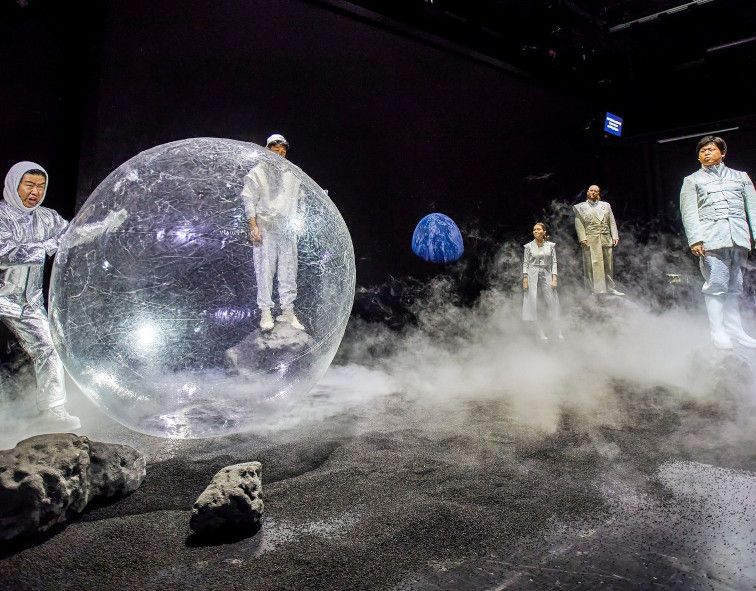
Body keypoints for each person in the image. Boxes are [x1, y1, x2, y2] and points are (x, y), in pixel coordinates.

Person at [0, 161, 80, 429]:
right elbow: (5, 253)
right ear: (14, 185)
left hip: (28, 304)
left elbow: (73, 233)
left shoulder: (47, 218)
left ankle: (53, 409)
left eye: (41, 186)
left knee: (48, 347)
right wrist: (45, 247)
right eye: (29, 185)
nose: (35, 191)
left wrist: (107, 223)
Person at [680, 135, 756, 350]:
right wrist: (695, 239)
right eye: (702, 150)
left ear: (722, 153)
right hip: (711, 239)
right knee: (717, 284)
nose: (705, 153)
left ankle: (736, 330)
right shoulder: (692, 180)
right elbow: (689, 213)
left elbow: (753, 208)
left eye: (711, 149)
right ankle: (718, 331)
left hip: (738, 237)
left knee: (735, 286)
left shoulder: (741, 177)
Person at [241, 134, 304, 331]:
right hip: (265, 228)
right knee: (264, 270)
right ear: (267, 150)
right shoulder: (257, 172)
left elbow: (301, 199)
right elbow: (249, 199)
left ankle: (288, 312)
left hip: (286, 229)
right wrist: (253, 226)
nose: (280, 154)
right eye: (276, 150)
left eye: (283, 151)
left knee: (288, 270)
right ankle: (266, 312)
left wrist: (298, 221)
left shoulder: (294, 174)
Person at [573, 185, 623, 296]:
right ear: (587, 192)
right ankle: (591, 290)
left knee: (608, 264)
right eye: (591, 190)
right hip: (590, 239)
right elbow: (579, 223)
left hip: (605, 237)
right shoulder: (580, 207)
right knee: (590, 266)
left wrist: (615, 236)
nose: (593, 192)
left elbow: (612, 221)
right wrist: (582, 238)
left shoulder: (606, 206)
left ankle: (610, 288)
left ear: (598, 193)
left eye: (596, 191)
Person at [522, 222, 563, 341]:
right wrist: (525, 278)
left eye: (538, 229)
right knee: (533, 301)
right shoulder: (529, 246)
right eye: (534, 229)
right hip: (532, 272)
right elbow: (525, 263)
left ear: (544, 232)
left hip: (546, 271)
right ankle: (539, 332)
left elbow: (554, 262)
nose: (535, 231)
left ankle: (557, 330)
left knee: (552, 299)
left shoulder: (550, 246)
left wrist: (554, 278)